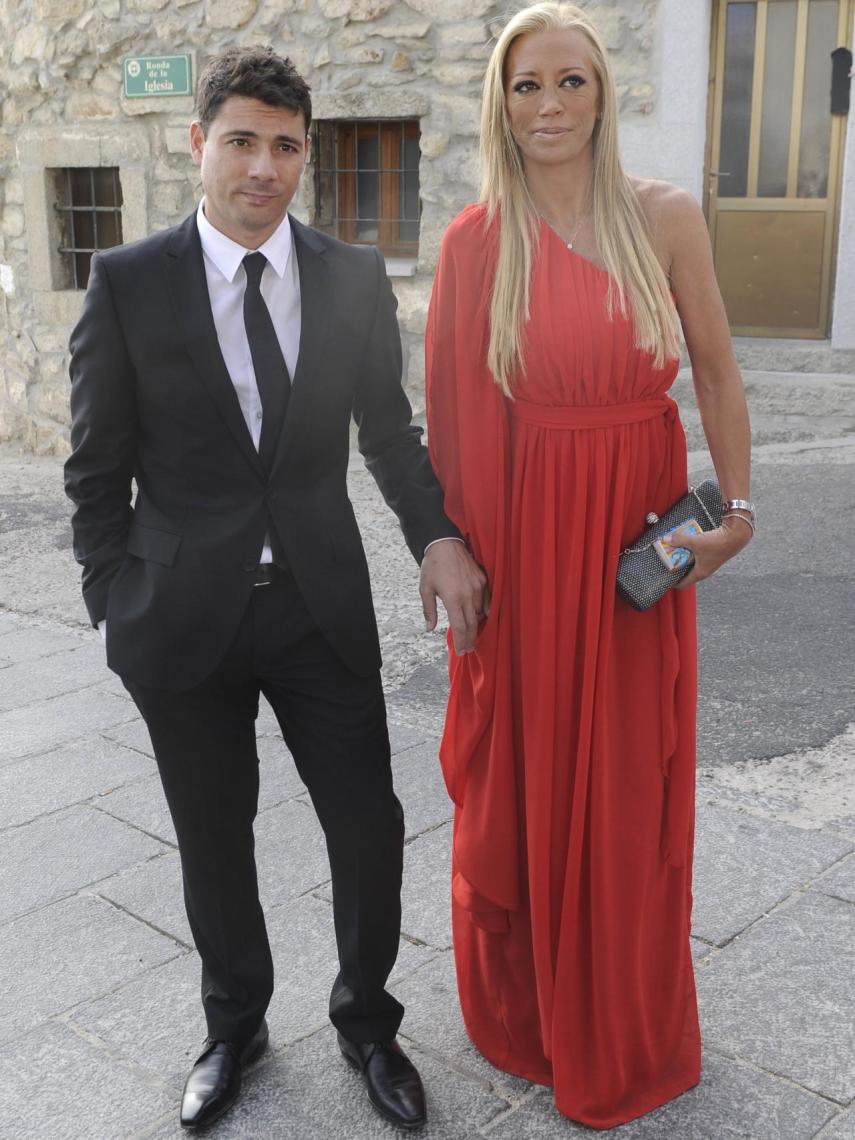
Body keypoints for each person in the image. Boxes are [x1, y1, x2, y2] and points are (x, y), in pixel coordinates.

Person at [64, 46, 487, 1132]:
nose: (264, 166)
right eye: (243, 141)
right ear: (198, 144)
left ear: (308, 155)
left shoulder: (348, 277)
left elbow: (388, 438)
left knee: (368, 824)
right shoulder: (128, 282)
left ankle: (366, 1021)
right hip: (179, 616)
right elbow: (94, 466)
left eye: (286, 145)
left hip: (317, 606)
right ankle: (234, 1023)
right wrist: (112, 598)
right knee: (215, 837)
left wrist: (435, 535)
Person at [425, 2, 754, 1129]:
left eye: (571, 81)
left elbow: (715, 370)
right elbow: (457, 419)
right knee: (530, 773)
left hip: (638, 546)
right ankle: (531, 1017)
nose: (551, 104)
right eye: (527, 86)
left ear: (605, 92)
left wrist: (738, 507)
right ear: (501, 106)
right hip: (527, 550)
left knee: (627, 776)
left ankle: (620, 1018)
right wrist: (458, 556)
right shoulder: (478, 240)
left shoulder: (663, 219)